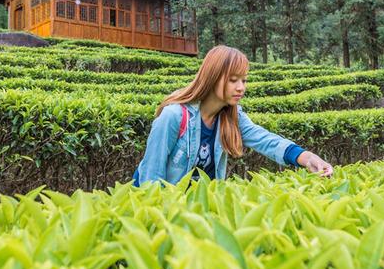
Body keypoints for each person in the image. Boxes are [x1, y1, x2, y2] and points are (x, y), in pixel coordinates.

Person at [132, 45, 333, 186]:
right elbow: (151, 177)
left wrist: (307, 158)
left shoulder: (231, 116)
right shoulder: (173, 116)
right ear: (212, 77)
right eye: (233, 80)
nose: (240, 88)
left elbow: (266, 140)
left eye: (244, 81)